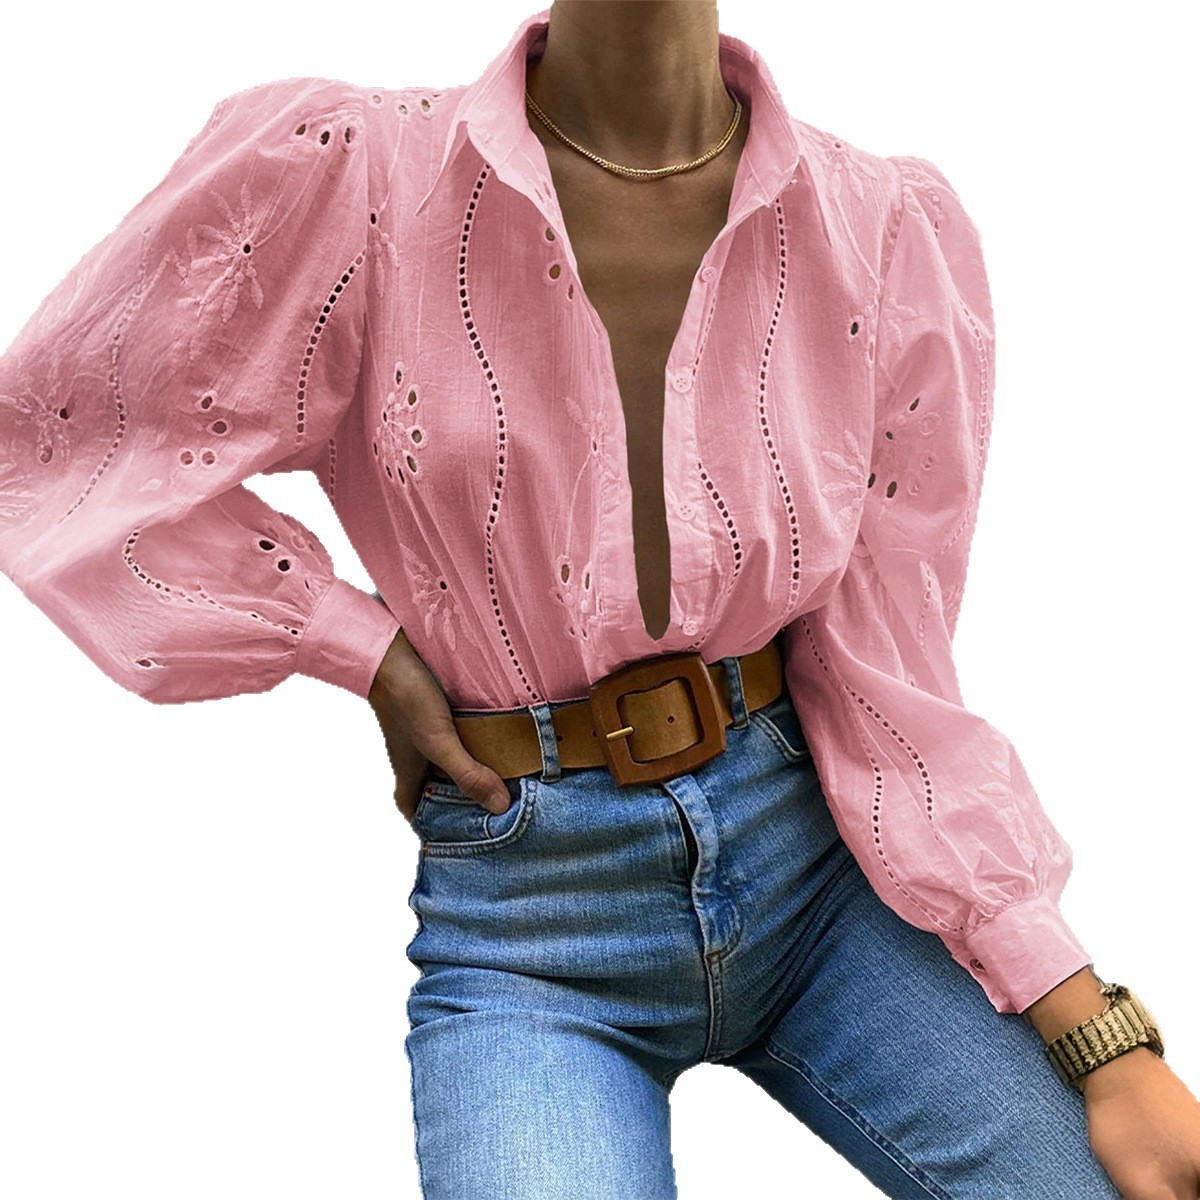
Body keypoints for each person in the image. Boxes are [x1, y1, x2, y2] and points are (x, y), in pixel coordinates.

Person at [1, 2, 1197, 1197]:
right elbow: (51, 447)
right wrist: (357, 645)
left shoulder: (879, 228)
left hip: (823, 880)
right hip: (532, 927)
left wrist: (1100, 1038)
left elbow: (887, 678)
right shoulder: (358, 181)